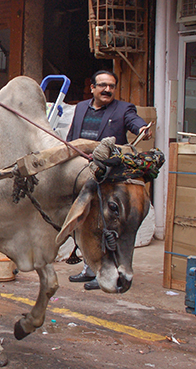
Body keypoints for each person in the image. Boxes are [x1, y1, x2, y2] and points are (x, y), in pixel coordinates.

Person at [67, 70, 152, 290]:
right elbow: (71, 138)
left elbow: (134, 122)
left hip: (106, 177)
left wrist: (142, 127)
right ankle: (89, 269)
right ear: (92, 88)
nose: (107, 90)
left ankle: (106, 271)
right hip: (81, 172)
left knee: (105, 225)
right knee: (83, 224)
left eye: (111, 86)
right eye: (103, 85)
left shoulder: (123, 109)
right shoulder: (80, 108)